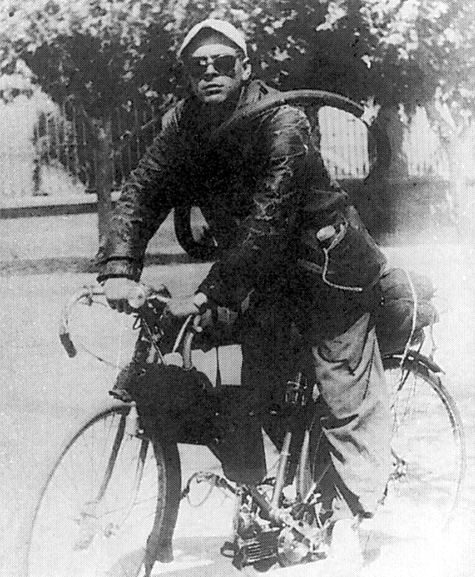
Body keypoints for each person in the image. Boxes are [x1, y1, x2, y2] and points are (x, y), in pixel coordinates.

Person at [97, 18, 391, 571]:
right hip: (265, 275)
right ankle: (286, 503)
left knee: (341, 394)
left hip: (329, 272)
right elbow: (141, 189)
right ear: (188, 74)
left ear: (246, 67)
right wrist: (119, 267)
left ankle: (356, 517)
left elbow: (269, 219)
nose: (210, 72)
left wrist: (208, 295)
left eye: (223, 62)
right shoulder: (186, 125)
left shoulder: (284, 121)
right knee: (264, 389)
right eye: (198, 65)